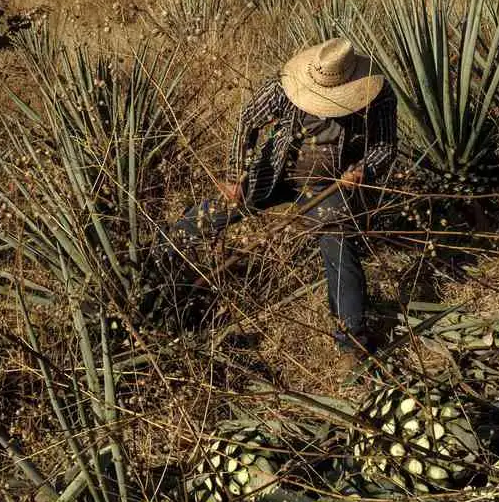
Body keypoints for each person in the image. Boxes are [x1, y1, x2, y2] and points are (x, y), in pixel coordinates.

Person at [168, 38, 397, 355]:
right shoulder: (285, 87)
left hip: (328, 183)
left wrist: (362, 170)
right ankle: (160, 271)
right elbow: (248, 118)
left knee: (339, 246)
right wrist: (236, 175)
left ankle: (352, 342)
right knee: (207, 218)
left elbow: (385, 147)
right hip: (274, 170)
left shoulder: (376, 93)